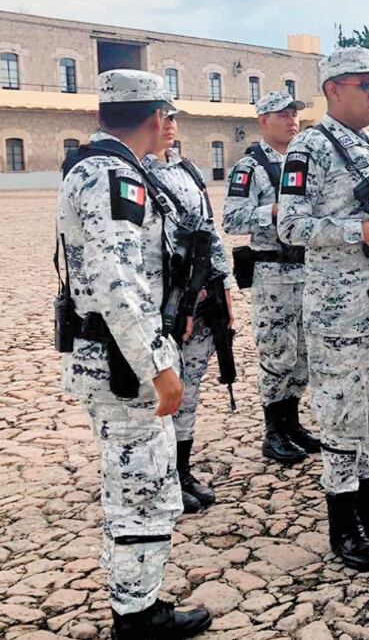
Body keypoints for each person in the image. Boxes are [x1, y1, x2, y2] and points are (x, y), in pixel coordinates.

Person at [56, 68, 211, 639]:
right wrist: (160, 365)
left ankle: (136, 597)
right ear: (153, 118)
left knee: (132, 485)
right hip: (126, 366)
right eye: (167, 115)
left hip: (113, 356)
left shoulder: (96, 169)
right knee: (142, 491)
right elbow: (118, 282)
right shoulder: (114, 179)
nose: (170, 125)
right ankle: (137, 616)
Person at [278, 46, 369, 572]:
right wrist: (353, 230)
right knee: (342, 416)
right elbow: (290, 226)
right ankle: (343, 524)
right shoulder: (308, 148)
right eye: (363, 84)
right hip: (341, 312)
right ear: (332, 90)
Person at [143, 109, 234, 514]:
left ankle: (181, 469)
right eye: (160, 118)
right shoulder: (136, 171)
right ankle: (160, 474)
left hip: (202, 293)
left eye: (173, 117)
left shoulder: (189, 171)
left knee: (190, 388)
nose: (168, 125)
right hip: (167, 301)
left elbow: (209, 232)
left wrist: (224, 286)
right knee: (165, 387)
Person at [223, 91, 320, 466]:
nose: (292, 120)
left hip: (307, 271)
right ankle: (273, 431)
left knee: (302, 354)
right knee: (277, 353)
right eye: (283, 114)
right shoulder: (251, 167)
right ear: (263, 120)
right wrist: (274, 210)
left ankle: (292, 423)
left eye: (295, 113)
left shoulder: (302, 163)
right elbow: (232, 219)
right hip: (273, 274)